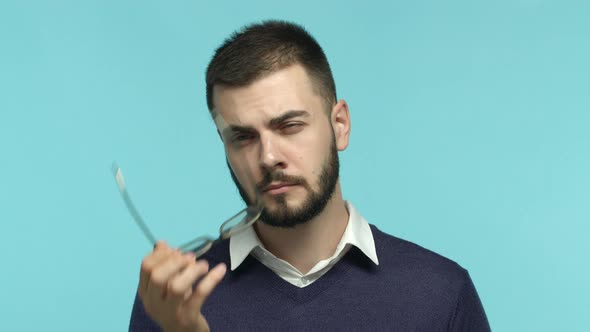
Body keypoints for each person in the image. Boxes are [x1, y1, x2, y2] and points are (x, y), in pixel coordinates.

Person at [129, 20, 491, 331]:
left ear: (340, 126)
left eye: (289, 126)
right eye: (242, 137)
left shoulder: (440, 293)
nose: (268, 157)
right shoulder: (171, 302)